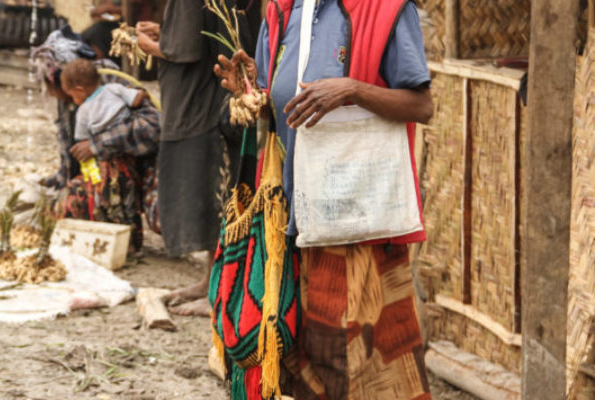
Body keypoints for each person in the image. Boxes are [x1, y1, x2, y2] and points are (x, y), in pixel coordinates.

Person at [215, 0, 434, 398]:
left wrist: (353, 90)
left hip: (358, 218)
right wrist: (252, 92)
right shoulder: (282, 12)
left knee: (360, 360)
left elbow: (421, 104)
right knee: (300, 353)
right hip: (292, 217)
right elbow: (283, 106)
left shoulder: (386, 9)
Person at [136, 0, 231, 316]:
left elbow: (186, 50)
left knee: (211, 199)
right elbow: (195, 36)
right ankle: (209, 281)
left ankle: (218, 290)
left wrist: (151, 46)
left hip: (199, 108)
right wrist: (166, 33)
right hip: (203, 103)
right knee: (209, 198)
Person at [34, 27, 161, 251]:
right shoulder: (70, 100)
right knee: (60, 209)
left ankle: (125, 236)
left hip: (135, 170)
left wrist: (97, 145)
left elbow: (152, 127)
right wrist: (49, 186)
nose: (52, 94)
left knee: (109, 172)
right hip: (96, 175)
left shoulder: (111, 83)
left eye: (53, 87)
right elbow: (69, 161)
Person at [60, 59, 148, 142]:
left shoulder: (82, 111)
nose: (73, 101)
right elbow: (136, 100)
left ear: (80, 90)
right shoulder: (114, 88)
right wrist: (142, 93)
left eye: (72, 96)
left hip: (106, 146)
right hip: (128, 134)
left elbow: (82, 139)